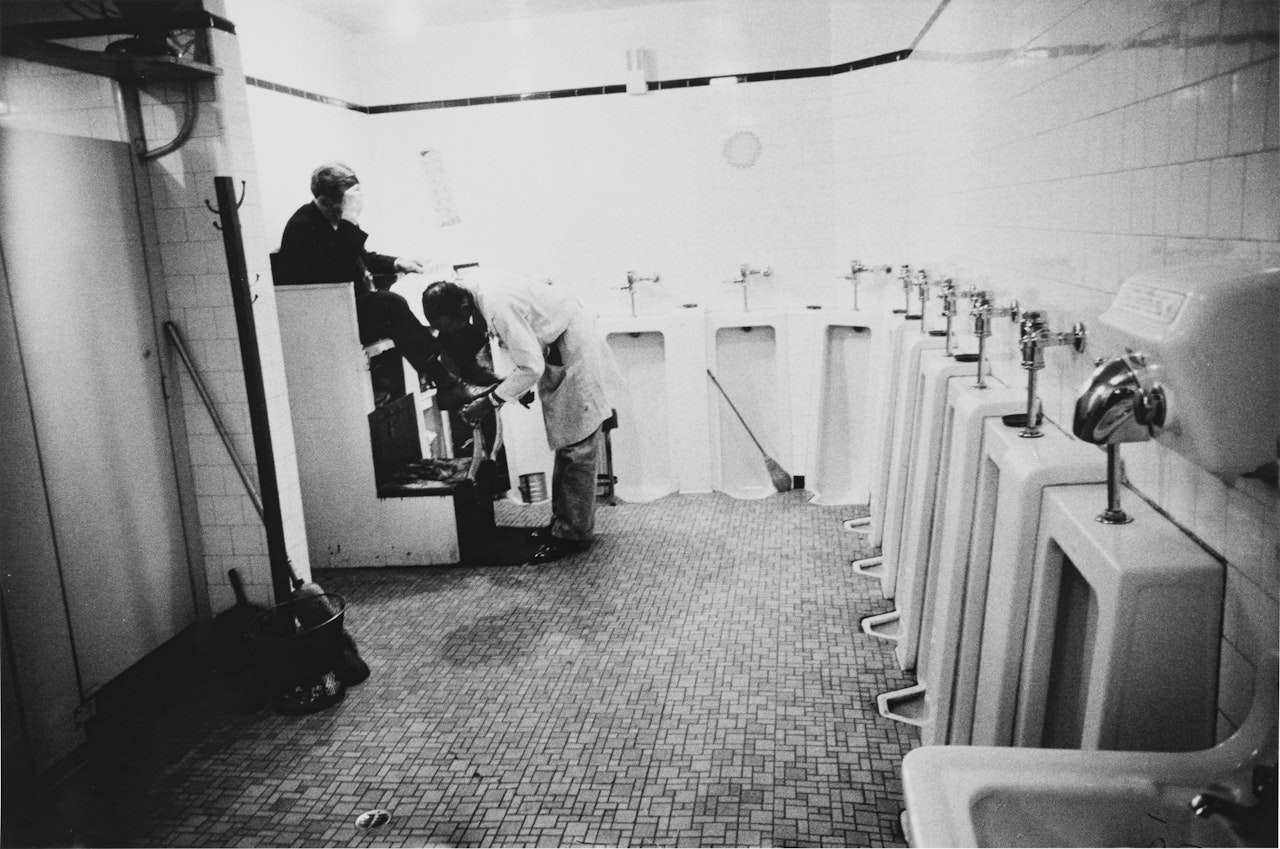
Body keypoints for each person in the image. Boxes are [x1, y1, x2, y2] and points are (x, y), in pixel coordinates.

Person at [421, 268, 620, 565]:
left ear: (462, 307)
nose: (452, 333)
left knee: (578, 446)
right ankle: (563, 524)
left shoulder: (495, 304)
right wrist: (512, 389)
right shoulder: (468, 293)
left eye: (451, 327)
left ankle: (573, 533)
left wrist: (490, 402)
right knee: (566, 443)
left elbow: (531, 367)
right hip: (558, 344)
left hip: (574, 348)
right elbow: (525, 358)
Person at [273, 162, 487, 409]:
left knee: (440, 299)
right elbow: (335, 274)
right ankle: (446, 382)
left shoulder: (337, 218)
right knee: (390, 304)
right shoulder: (303, 226)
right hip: (325, 317)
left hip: (346, 307)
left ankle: (467, 369)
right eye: (349, 198)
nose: (356, 203)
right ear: (327, 200)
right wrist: (348, 220)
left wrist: (397, 263)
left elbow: (362, 257)